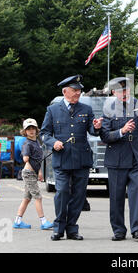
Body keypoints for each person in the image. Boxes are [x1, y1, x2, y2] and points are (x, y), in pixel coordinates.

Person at [41, 74, 103, 241]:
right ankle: (59, 227)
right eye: (75, 90)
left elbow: (92, 130)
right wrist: (53, 142)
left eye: (79, 91)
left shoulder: (86, 109)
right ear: (65, 91)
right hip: (62, 158)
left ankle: (72, 228)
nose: (78, 93)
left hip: (81, 158)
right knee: (61, 192)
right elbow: (45, 133)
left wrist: (97, 127)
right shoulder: (52, 110)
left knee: (79, 195)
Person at [100, 77, 138, 241]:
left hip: (137, 158)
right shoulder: (108, 108)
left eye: (125, 90)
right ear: (113, 92)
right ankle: (118, 230)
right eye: (119, 91)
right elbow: (104, 135)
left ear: (130, 90)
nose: (123, 93)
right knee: (116, 196)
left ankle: (136, 229)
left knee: (136, 194)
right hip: (116, 158)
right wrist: (122, 131)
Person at [13, 118, 53, 230]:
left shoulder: (36, 142)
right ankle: (43, 221)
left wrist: (39, 172)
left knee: (27, 198)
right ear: (24, 131)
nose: (31, 131)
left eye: (33, 128)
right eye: (28, 129)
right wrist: (32, 168)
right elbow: (26, 158)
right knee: (38, 197)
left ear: (36, 129)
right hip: (28, 173)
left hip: (33, 173)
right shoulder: (27, 143)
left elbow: (37, 160)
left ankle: (17, 221)